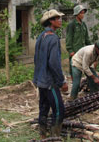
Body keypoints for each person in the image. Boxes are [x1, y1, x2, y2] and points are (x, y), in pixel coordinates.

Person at [33, 9, 68, 139]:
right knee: (59, 110)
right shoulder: (53, 38)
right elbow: (54, 63)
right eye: (57, 18)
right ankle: (55, 137)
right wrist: (61, 82)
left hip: (40, 81)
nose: (60, 20)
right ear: (51, 21)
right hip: (50, 82)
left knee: (43, 107)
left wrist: (36, 78)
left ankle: (43, 134)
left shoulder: (41, 36)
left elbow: (36, 59)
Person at [66, 4, 91, 80]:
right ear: (77, 14)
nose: (83, 15)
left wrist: (91, 47)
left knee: (85, 67)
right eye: (81, 13)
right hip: (75, 51)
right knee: (74, 70)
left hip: (83, 51)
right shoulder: (72, 25)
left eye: (83, 13)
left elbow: (87, 38)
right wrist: (70, 50)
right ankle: (74, 83)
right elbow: (69, 38)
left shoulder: (83, 25)